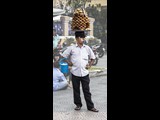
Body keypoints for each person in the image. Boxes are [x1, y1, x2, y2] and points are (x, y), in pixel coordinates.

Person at [61, 31, 99, 112]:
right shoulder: (71, 48)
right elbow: (63, 56)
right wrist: (69, 62)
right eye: (80, 38)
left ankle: (90, 106)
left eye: (82, 37)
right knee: (76, 90)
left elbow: (93, 58)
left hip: (85, 73)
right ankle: (78, 105)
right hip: (75, 73)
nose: (81, 39)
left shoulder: (87, 48)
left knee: (87, 91)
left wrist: (90, 64)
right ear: (76, 38)